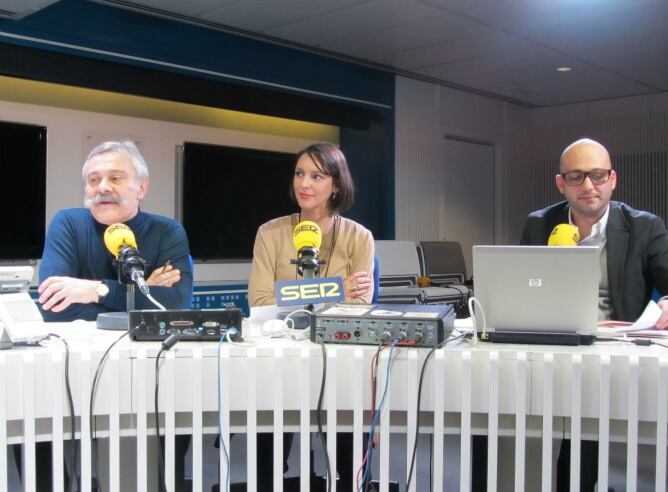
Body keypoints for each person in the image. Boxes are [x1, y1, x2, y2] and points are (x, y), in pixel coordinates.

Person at [32, 140, 193, 491]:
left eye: (116, 178)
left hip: (152, 369)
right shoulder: (68, 224)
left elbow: (176, 304)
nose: (102, 187)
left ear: (142, 187)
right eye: (93, 180)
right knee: (40, 437)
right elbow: (53, 305)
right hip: (76, 371)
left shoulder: (167, 232)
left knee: (165, 451)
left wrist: (96, 290)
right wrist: (142, 292)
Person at [521, 137, 668, 491]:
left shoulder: (645, 227)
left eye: (598, 176)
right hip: (558, 349)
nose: (588, 185)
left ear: (612, 180)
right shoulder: (540, 225)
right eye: (576, 176)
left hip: (620, 353)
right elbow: (523, 287)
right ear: (561, 183)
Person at [248, 142, 375, 490]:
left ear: (336, 184)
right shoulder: (270, 233)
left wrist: (288, 296)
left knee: (350, 460)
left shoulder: (359, 237)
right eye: (300, 174)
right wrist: (335, 290)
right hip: (279, 362)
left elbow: (360, 305)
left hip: (339, 360)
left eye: (316, 176)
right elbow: (259, 302)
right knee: (267, 463)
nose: (304, 184)